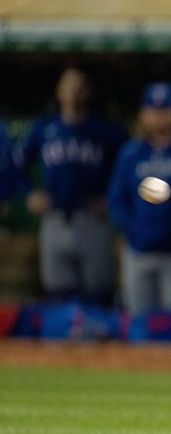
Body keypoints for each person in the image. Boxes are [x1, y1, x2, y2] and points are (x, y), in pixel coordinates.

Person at [19, 67, 127, 304]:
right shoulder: (44, 128)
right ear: (59, 91)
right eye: (68, 85)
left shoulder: (104, 130)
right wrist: (30, 192)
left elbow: (128, 167)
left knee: (98, 291)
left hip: (91, 219)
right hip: (55, 217)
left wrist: (111, 198)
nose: (73, 92)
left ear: (88, 92)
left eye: (79, 86)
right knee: (58, 293)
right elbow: (19, 164)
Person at [107, 82, 171, 316]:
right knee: (138, 321)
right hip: (138, 250)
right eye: (153, 110)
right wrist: (134, 228)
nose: (159, 117)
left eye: (165, 110)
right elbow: (117, 199)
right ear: (143, 114)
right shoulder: (130, 153)